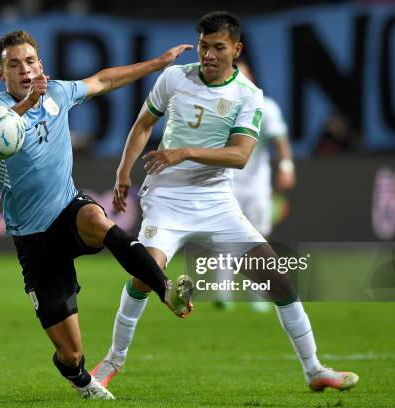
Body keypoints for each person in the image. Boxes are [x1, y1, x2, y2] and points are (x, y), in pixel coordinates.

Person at [91, 11, 359, 393]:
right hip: (167, 197)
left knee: (279, 281)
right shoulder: (174, 78)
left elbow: (240, 155)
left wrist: (184, 151)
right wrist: (122, 173)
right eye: (203, 46)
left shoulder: (248, 96)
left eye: (219, 47)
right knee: (145, 273)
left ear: (237, 49)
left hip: (217, 202)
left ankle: (314, 369)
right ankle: (112, 361)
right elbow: (144, 124)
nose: (209, 54)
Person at [0, 30, 194, 400]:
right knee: (71, 353)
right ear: (2, 75)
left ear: (41, 65)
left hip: (68, 209)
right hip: (34, 238)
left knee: (97, 220)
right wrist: (27, 103)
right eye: (13, 65)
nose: (24, 69)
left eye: (30, 61)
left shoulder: (58, 93)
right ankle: (80, 379)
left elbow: (103, 80)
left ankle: (165, 290)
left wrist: (157, 64)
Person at [216, 59, 296, 313]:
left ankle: (259, 295)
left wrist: (286, 166)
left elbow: (279, 139)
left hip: (256, 187)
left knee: (258, 240)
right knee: (223, 238)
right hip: (224, 184)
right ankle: (222, 295)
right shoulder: (218, 105)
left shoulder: (266, 105)